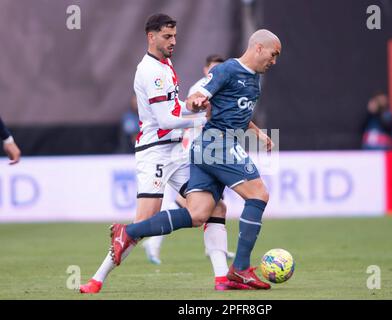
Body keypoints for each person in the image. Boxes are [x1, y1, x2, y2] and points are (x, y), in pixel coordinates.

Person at [80, 14, 246, 293]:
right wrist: (203, 119)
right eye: (167, 36)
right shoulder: (150, 71)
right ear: (151, 37)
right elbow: (166, 121)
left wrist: (192, 106)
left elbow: (172, 111)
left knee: (215, 207)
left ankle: (222, 280)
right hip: (154, 154)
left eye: (175, 36)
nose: (173, 41)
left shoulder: (164, 64)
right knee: (142, 223)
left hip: (175, 151)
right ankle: (97, 280)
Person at [110, 29, 281, 290]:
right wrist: (196, 100)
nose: (274, 60)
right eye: (273, 54)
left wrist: (259, 134)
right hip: (216, 144)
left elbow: (240, 115)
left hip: (208, 148)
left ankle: (129, 232)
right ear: (258, 48)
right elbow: (199, 94)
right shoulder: (227, 70)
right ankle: (241, 268)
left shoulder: (254, 79)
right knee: (259, 194)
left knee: (198, 213)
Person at [142, 54, 236, 265]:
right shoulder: (200, 88)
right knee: (204, 202)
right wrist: (206, 120)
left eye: (219, 69)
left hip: (211, 148)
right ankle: (151, 239)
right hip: (194, 149)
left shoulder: (223, 86)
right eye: (212, 69)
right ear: (205, 70)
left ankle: (213, 249)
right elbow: (185, 115)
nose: (215, 73)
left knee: (207, 202)